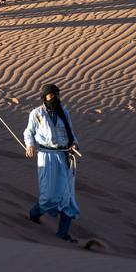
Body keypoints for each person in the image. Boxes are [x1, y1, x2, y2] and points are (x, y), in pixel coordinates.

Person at [24, 83, 81, 241]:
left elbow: (70, 132)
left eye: (57, 95)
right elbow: (29, 132)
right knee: (49, 196)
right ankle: (34, 213)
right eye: (51, 95)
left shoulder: (64, 113)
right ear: (44, 97)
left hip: (64, 157)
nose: (55, 98)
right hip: (46, 156)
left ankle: (63, 233)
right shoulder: (37, 113)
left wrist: (74, 143)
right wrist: (29, 145)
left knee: (67, 197)